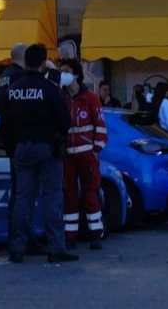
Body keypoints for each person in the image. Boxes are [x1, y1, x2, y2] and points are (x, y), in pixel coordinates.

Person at [0, 43, 77, 264]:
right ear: (43, 63)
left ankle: (17, 248)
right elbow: (65, 121)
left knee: (23, 199)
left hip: (22, 149)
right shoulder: (49, 89)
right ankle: (56, 249)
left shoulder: (13, 90)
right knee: (53, 197)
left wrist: (12, 149)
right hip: (47, 149)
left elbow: (5, 124)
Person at [58, 59, 108, 250]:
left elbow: (101, 127)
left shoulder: (91, 98)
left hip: (87, 154)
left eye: (67, 71)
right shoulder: (60, 98)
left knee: (90, 193)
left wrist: (96, 150)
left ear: (77, 74)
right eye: (61, 71)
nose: (63, 74)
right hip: (67, 156)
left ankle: (96, 233)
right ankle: (70, 235)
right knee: (69, 195)